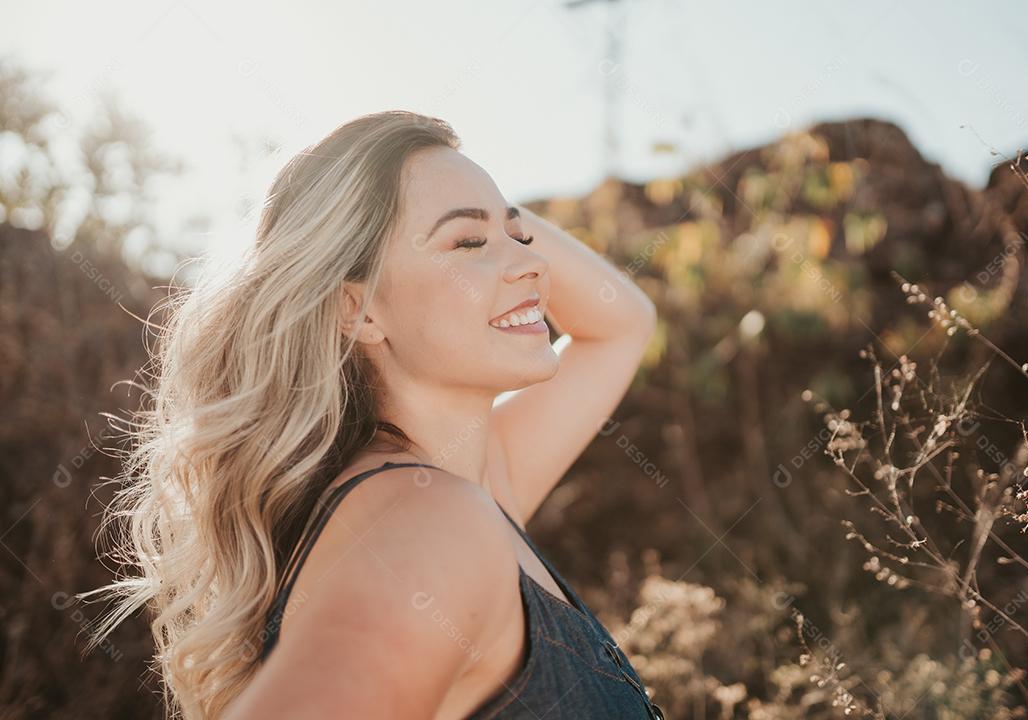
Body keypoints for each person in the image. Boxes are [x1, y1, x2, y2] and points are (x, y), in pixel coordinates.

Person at [79, 110, 661, 719]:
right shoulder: (434, 526)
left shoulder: (478, 485)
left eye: (519, 237)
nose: (534, 263)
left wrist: (476, 200)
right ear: (357, 311)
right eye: (466, 242)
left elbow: (620, 323)